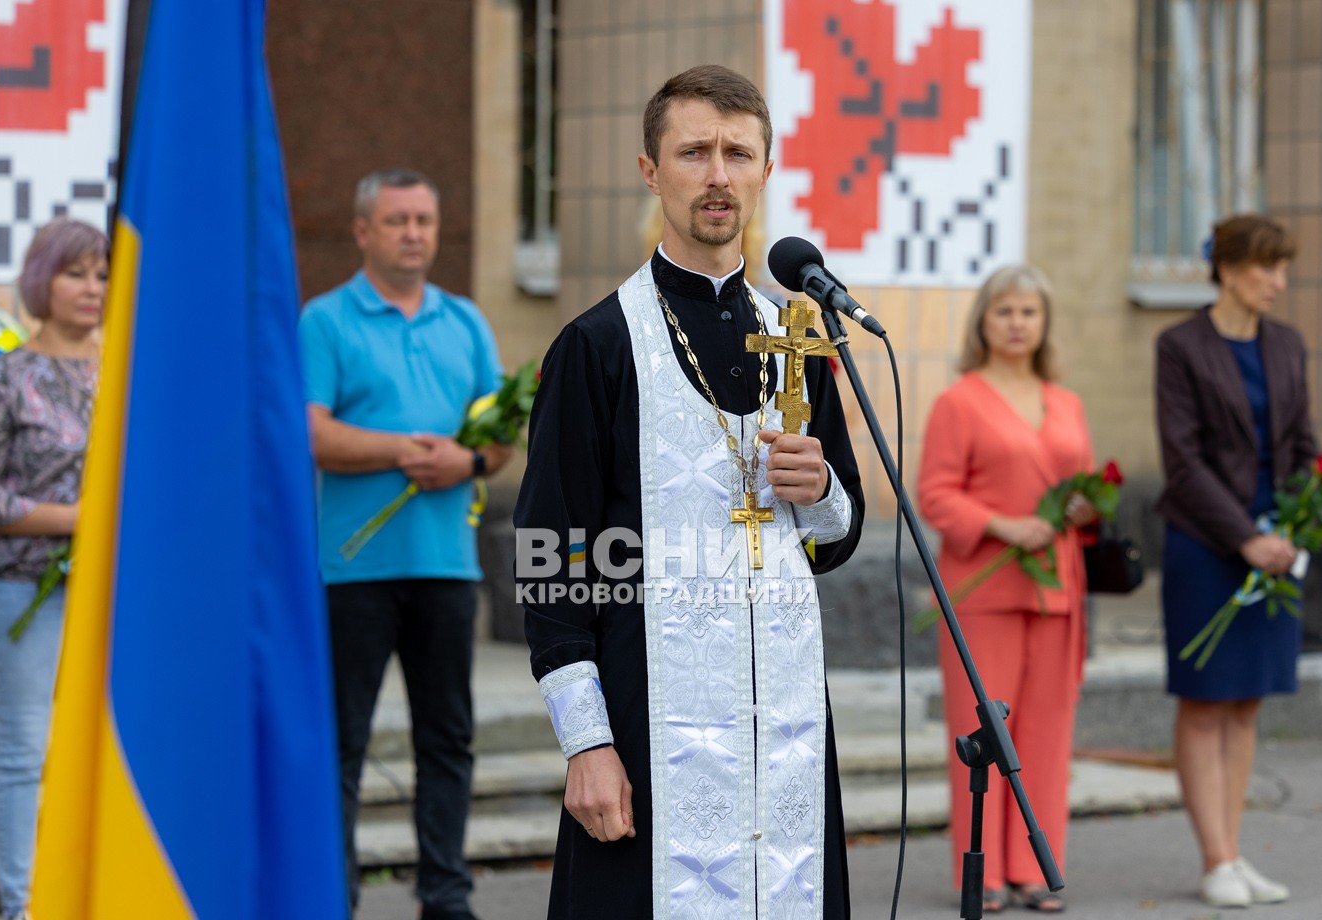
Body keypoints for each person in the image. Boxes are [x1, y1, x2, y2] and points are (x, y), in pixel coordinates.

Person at [515, 64, 865, 919]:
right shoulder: (598, 345)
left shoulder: (797, 337)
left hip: (781, 726)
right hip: (647, 721)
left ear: (765, 171)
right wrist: (586, 744)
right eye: (694, 152)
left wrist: (821, 488)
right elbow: (551, 559)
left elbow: (839, 534)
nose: (718, 176)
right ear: (651, 169)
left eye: (738, 154)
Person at [299, 168, 513, 920]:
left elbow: (498, 438)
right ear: (363, 231)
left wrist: (467, 462)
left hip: (446, 565)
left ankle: (445, 895)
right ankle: (330, 896)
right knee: (339, 745)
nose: (414, 233)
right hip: (351, 569)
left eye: (424, 219)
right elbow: (311, 432)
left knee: (447, 740)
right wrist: (403, 450)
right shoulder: (325, 320)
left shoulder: (466, 321)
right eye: (397, 221)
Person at [916, 264, 1095, 914]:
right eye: (1005, 311)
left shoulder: (1066, 402)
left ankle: (1034, 868)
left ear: (1044, 323)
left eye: (1029, 311)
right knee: (984, 735)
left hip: (1056, 590)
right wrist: (1002, 525)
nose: (1018, 323)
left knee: (1048, 732)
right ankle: (985, 871)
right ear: (983, 323)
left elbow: (1082, 486)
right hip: (983, 593)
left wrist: (1082, 510)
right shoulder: (959, 401)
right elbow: (934, 494)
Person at [0, 218, 109, 920]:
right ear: (43, 281)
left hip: (112, 596)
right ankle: (24, 907)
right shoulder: (6, 377)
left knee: (103, 753)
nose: (93, 288)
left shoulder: (130, 376)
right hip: (20, 592)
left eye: (103, 275)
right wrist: (78, 520)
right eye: (76, 273)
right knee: (24, 751)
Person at [1154, 214, 1312, 909]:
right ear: (1226, 268)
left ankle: (1234, 851)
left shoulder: (1288, 344)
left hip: (1277, 548)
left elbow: (1304, 446)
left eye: (1283, 268)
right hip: (1207, 544)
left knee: (1247, 701)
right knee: (1205, 699)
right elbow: (1182, 461)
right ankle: (1214, 859)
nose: (1278, 281)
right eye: (1265, 267)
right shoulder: (1180, 345)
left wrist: (1294, 528)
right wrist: (1245, 537)